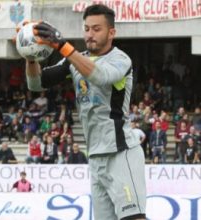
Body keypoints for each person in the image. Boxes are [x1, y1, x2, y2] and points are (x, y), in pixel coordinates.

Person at [25, 5, 146, 219]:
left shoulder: (121, 60)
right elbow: (36, 83)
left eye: (96, 29)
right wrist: (30, 54)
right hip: (96, 157)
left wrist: (63, 47)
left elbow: (99, 76)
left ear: (111, 33)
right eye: (87, 29)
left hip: (121, 152)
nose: (90, 34)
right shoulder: (75, 59)